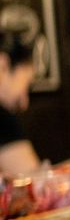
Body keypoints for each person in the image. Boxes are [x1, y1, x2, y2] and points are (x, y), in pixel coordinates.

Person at [0, 30, 41, 176]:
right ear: (3, 64)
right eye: (26, 85)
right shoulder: (2, 119)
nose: (24, 102)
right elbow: (33, 184)